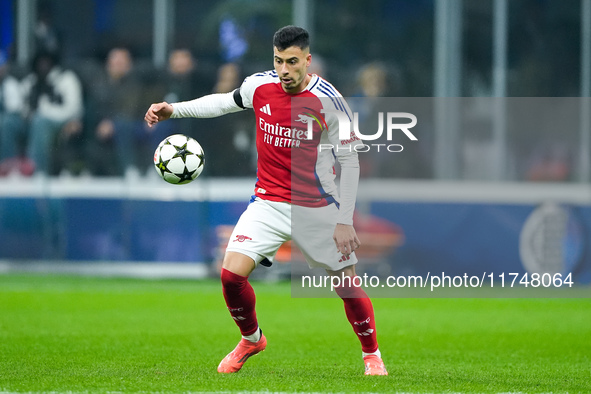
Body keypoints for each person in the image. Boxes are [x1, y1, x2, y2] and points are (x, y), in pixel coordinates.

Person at [144, 26, 387, 376]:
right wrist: (175, 110)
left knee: (346, 284)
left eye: (291, 62)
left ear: (307, 60)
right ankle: (251, 339)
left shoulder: (330, 102)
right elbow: (224, 102)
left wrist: (345, 219)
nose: (284, 70)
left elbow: (349, 161)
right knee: (230, 275)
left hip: (317, 205)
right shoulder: (260, 85)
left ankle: (372, 355)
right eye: (278, 61)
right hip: (268, 202)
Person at [20, 50, 84, 175]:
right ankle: (8, 170)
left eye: (46, 62)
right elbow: (22, 107)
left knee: (40, 122)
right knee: (8, 124)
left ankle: (38, 171)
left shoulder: (67, 78)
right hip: (33, 121)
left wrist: (46, 113)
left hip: (64, 120)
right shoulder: (30, 82)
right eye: (40, 62)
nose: (43, 65)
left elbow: (74, 108)